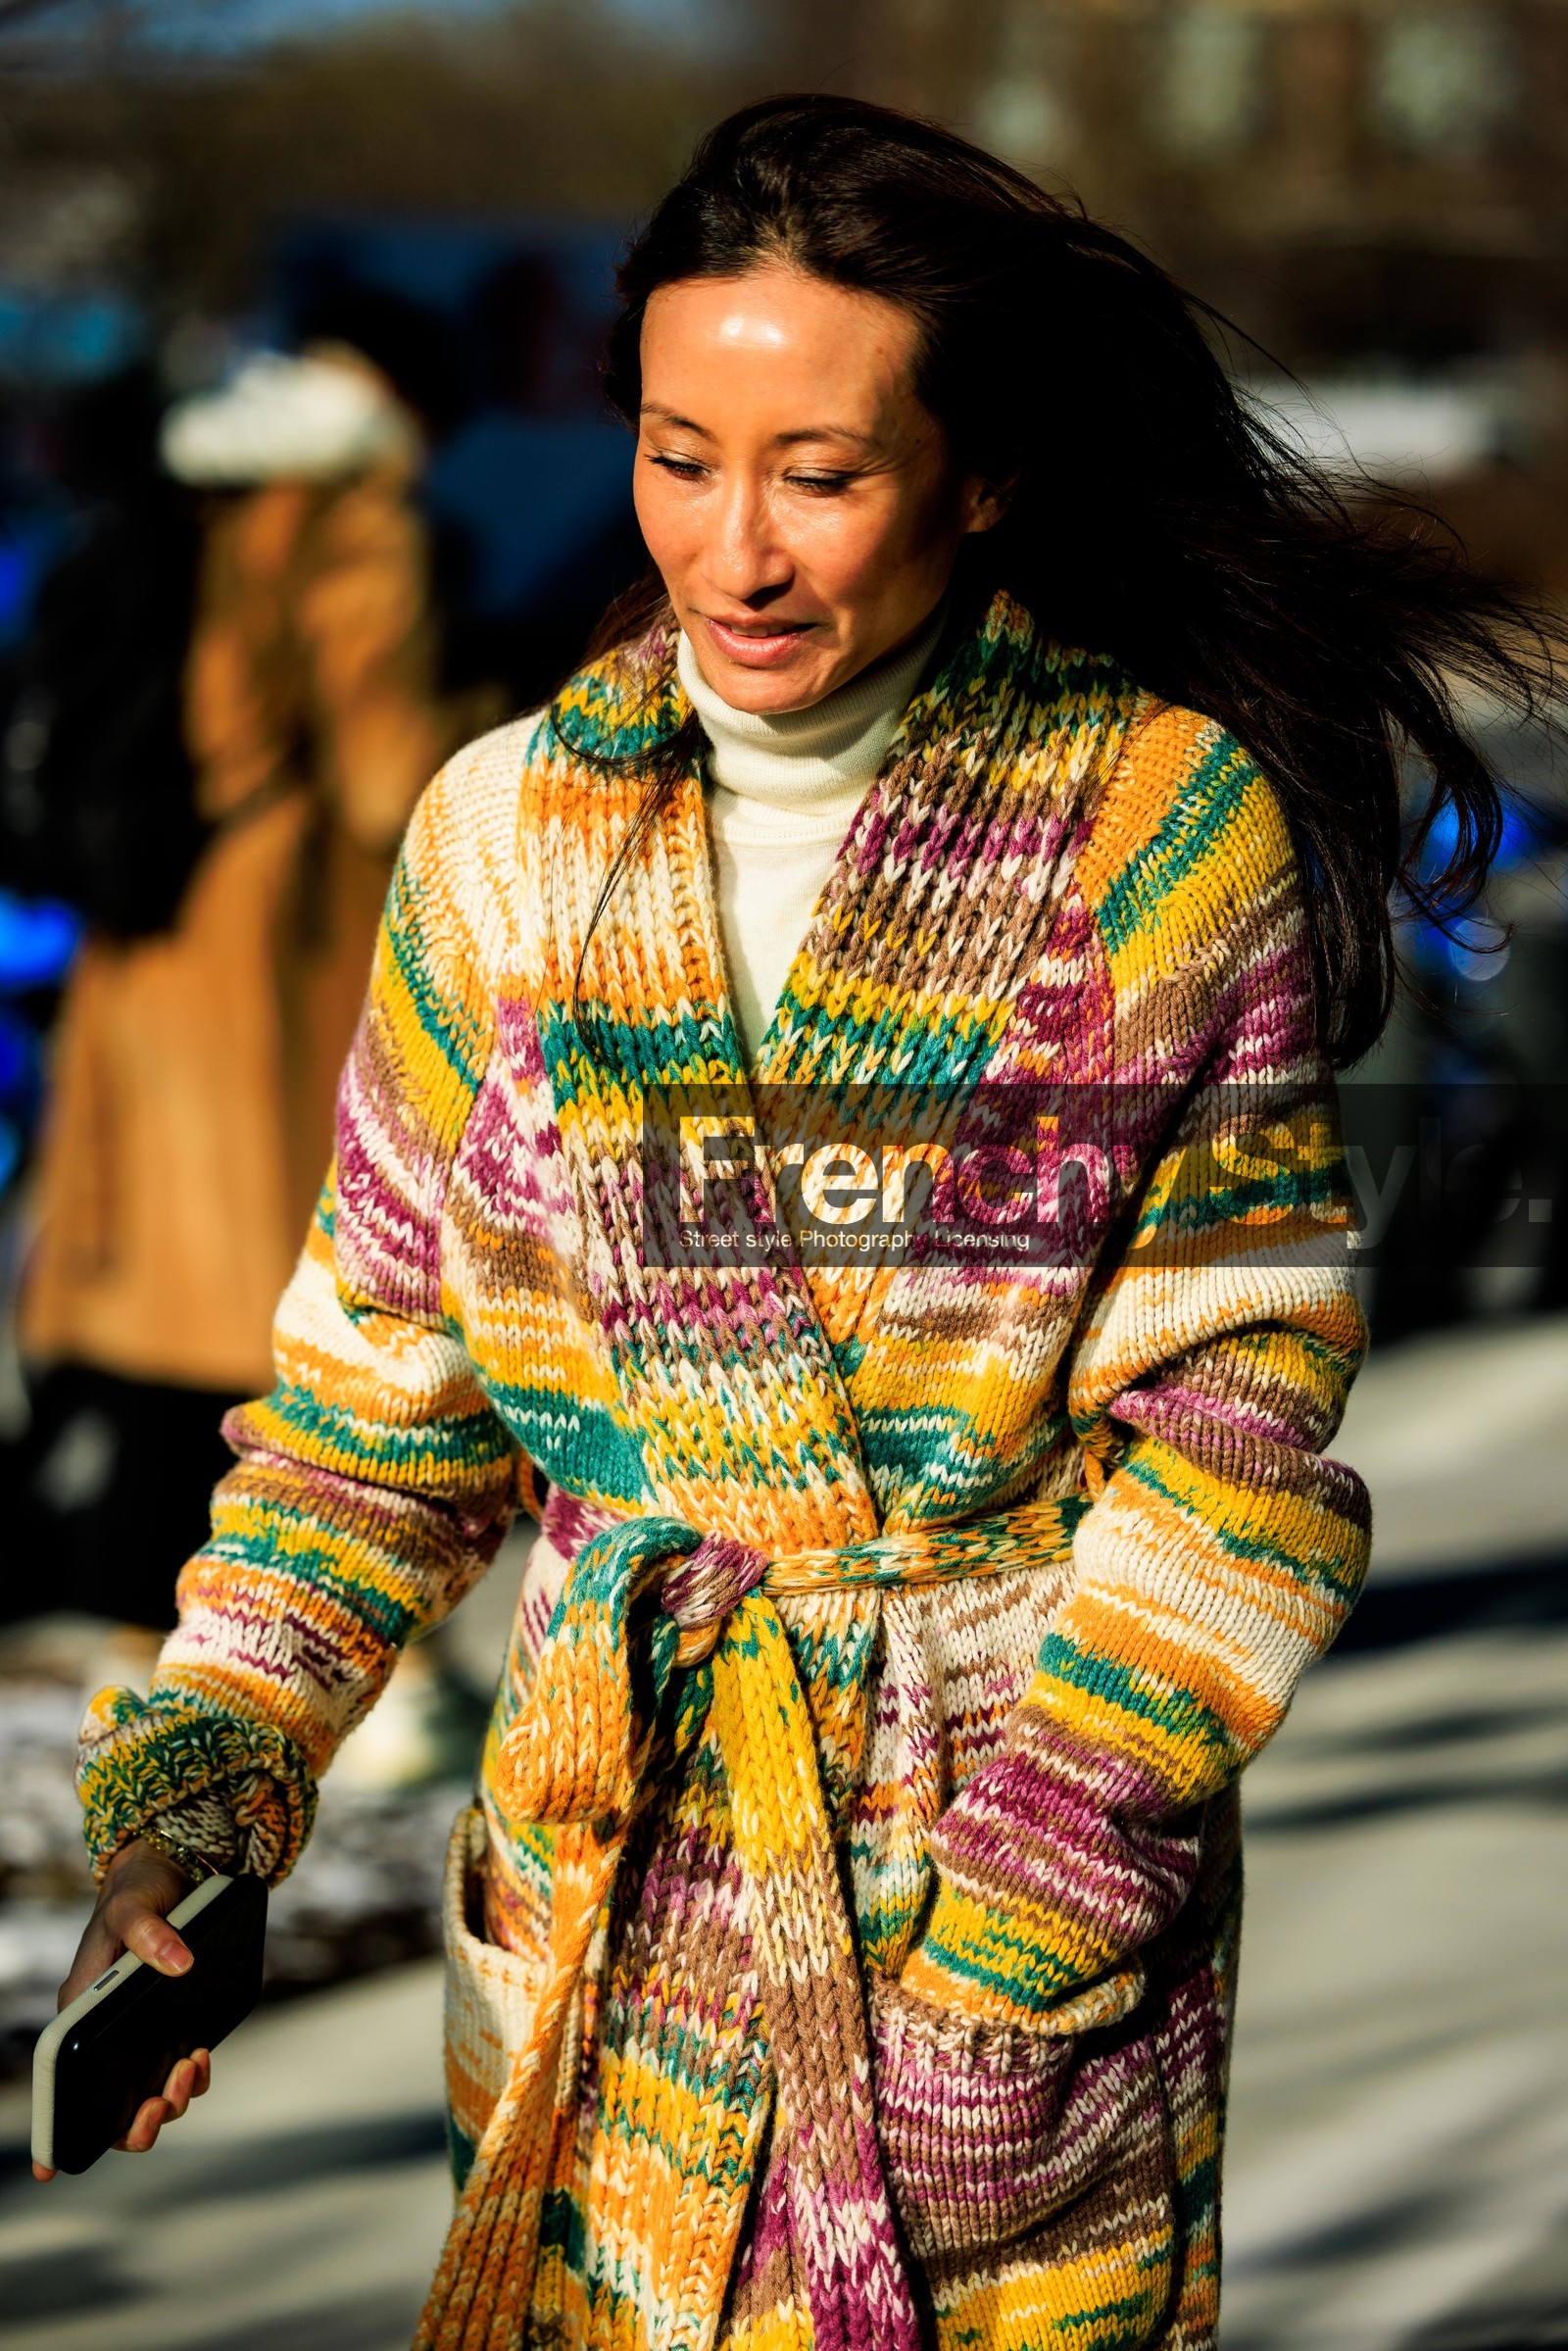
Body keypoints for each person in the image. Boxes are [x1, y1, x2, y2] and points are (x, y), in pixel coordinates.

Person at [44, 98, 1544, 2350]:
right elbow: (373, 1419)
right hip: (596, 1875)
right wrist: (208, 1794)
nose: (729, 552)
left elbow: (1229, 1449)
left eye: (818, 475)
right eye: (678, 457)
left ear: (977, 473)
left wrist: (1017, 1947)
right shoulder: (502, 842)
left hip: (1002, 1894)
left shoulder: (1145, 839)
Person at [15, 332, 458, 1643]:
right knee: (254, 1280)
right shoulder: (355, 524)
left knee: (135, 1266)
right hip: (271, 946)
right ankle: (215, 1603)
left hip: (147, 928)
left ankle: (99, 1570)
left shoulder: (199, 500)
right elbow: (383, 778)